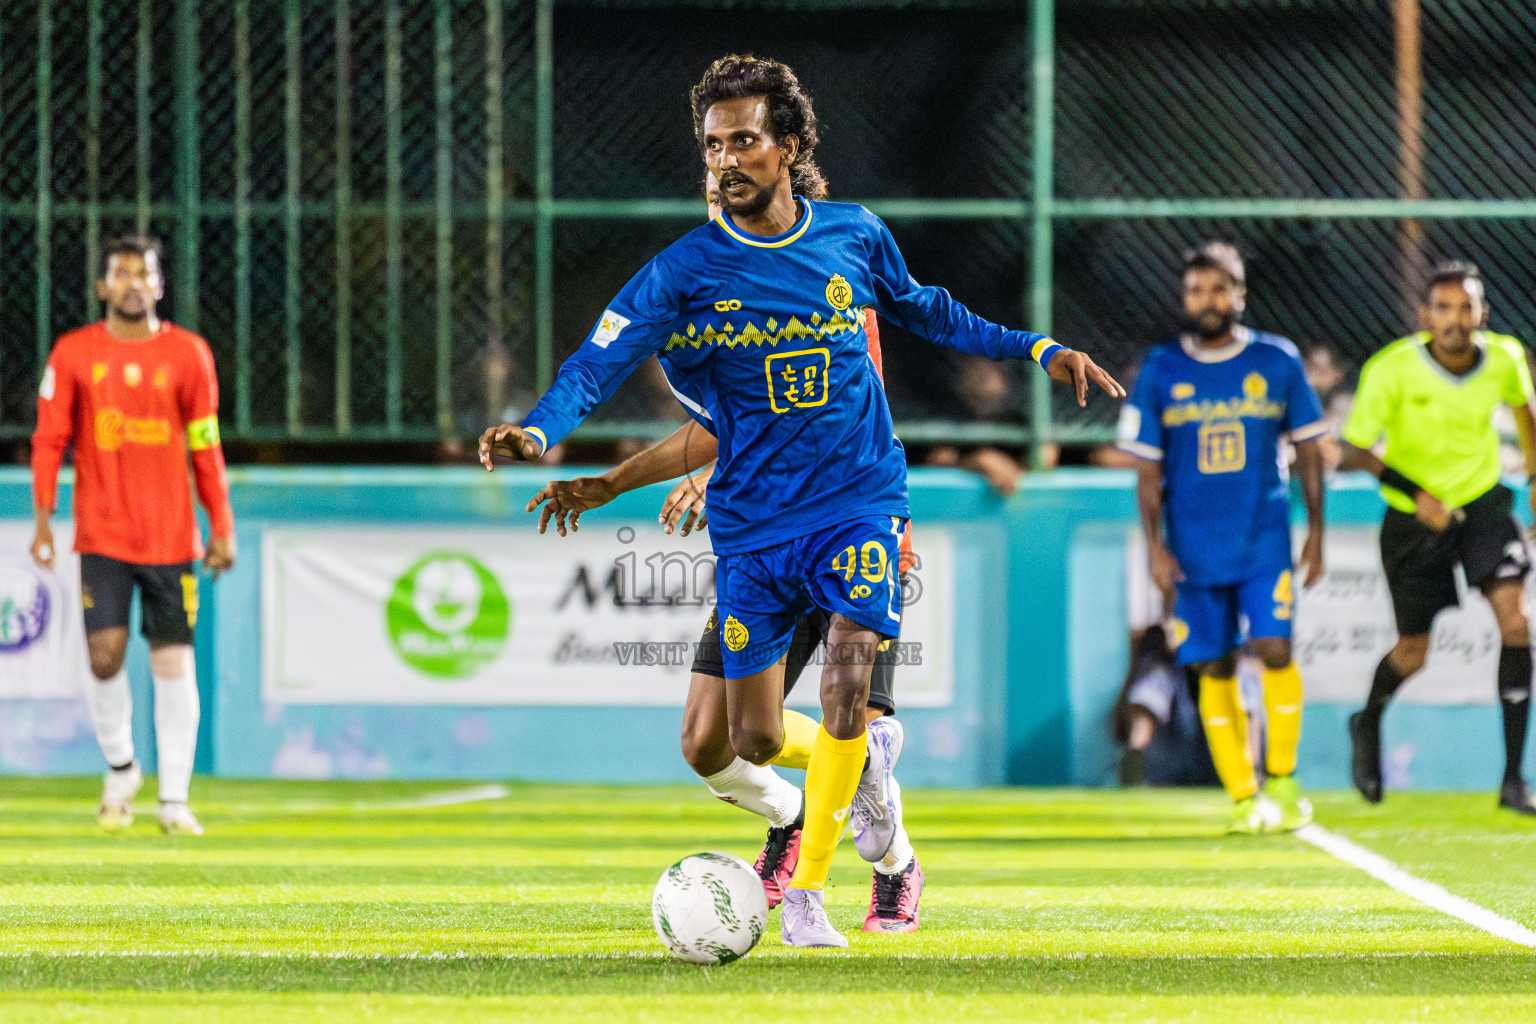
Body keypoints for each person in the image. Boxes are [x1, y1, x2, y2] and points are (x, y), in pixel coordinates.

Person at [481, 54, 1122, 946]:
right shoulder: (683, 275)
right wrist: (542, 432)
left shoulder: (851, 238)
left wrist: (1037, 348)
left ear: (787, 146)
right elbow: (600, 360)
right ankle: (847, 788)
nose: (726, 159)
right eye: (712, 146)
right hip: (755, 528)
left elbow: (927, 309)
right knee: (742, 738)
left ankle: (815, 893)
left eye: (744, 140)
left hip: (860, 504)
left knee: (849, 690)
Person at [1118, 242, 1327, 833]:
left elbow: (1310, 449)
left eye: (1219, 288)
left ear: (1240, 295)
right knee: (1211, 667)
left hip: (1263, 540)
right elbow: (1148, 471)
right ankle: (1243, 796)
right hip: (1190, 550)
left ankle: (1282, 780)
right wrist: (1155, 547)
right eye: (1195, 290)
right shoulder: (1162, 369)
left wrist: (1316, 534)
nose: (1206, 300)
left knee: (1275, 650)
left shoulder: (1277, 360)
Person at [30, 235, 235, 835]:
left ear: (159, 285)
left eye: (142, 273)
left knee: (174, 662)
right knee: (104, 656)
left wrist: (221, 524)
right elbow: (49, 440)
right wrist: (43, 519)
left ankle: (174, 799)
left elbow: (206, 446)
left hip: (173, 540)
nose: (131, 284)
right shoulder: (72, 353)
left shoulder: (190, 355)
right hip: (101, 535)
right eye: (119, 274)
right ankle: (122, 768)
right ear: (102, 287)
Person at [1341, 261, 1536, 815]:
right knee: (1413, 651)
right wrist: (1415, 492)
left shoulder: (1505, 357)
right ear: (1425, 316)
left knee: (1516, 621)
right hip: (1412, 518)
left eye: (1466, 308)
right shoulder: (1392, 369)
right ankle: (1368, 719)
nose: (1456, 319)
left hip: (1481, 503)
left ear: (1483, 314)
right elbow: (1353, 449)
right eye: (1443, 309)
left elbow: (1526, 412)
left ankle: (1512, 782)